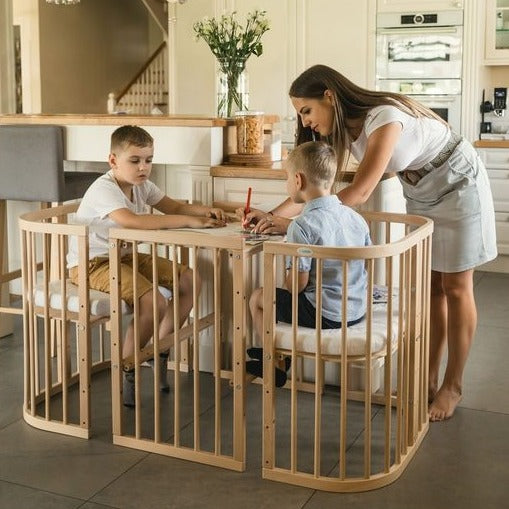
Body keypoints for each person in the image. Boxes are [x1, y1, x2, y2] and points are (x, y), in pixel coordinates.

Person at [243, 64, 497, 421]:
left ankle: (452, 386)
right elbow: (312, 187)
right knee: (433, 288)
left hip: (457, 182)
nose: (305, 121)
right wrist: (271, 216)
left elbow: (359, 192)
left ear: (329, 97)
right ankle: (428, 379)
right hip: (421, 190)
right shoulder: (344, 130)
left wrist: (293, 224)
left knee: (456, 286)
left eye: (307, 110)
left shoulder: (384, 118)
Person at [67, 125, 227, 406]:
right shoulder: (104, 188)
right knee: (154, 302)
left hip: (124, 255)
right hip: (93, 263)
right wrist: (191, 221)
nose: (143, 167)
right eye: (135, 160)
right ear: (113, 161)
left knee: (190, 280)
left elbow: (175, 208)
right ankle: (127, 369)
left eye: (148, 160)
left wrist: (205, 211)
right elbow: (134, 222)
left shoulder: (142, 186)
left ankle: (158, 351)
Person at [246, 141, 371, 387]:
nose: (287, 183)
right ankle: (278, 354)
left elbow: (298, 286)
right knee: (281, 297)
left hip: (325, 313)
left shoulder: (301, 226)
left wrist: (286, 280)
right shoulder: (356, 218)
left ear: (298, 180)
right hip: (355, 308)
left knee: (258, 297)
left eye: (287, 178)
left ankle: (274, 360)